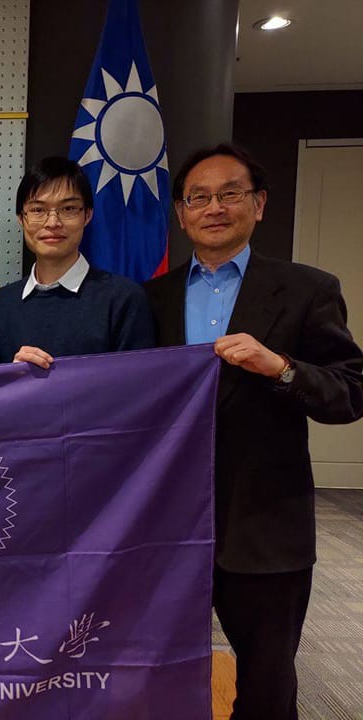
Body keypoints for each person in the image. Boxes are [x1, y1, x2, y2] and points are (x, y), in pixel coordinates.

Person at [144, 143, 363, 720]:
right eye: (199, 197)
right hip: (168, 525)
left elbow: (350, 393)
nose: (214, 207)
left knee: (267, 682)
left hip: (265, 523)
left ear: (259, 204)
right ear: (182, 213)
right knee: (156, 672)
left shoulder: (307, 288)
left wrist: (282, 367)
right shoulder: (151, 298)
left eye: (230, 194)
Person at [0, 158, 154, 367]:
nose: (52, 223)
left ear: (87, 215)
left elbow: (139, 381)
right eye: (38, 210)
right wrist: (12, 377)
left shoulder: (123, 299)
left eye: (68, 209)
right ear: (21, 218)